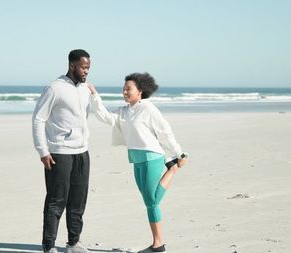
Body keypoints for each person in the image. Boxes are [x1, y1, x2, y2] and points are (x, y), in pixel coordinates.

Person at [88, 73, 187, 253]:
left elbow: (164, 131)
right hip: (136, 159)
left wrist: (178, 152)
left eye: (128, 89)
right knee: (148, 201)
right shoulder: (124, 111)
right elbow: (104, 116)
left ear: (140, 91)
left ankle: (159, 244)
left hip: (152, 156)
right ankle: (158, 244)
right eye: (124, 89)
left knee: (152, 201)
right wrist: (94, 95)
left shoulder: (148, 109)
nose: (125, 92)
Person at [32, 49, 93, 253]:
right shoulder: (54, 88)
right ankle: (49, 246)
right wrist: (43, 151)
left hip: (82, 152)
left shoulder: (85, 89)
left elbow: (84, 117)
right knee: (56, 201)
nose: (86, 72)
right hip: (59, 152)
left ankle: (74, 243)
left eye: (88, 68)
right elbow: (38, 119)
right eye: (83, 67)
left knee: (78, 200)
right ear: (72, 65)